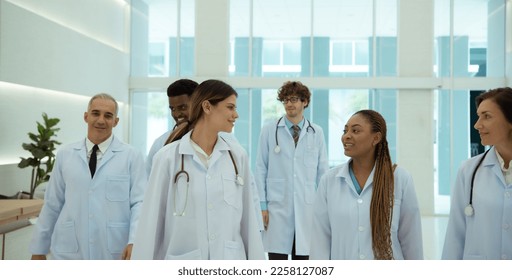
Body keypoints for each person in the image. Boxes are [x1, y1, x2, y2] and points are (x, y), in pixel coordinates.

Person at [131, 79, 265, 260]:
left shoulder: (236, 156)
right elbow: (150, 223)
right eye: (230, 107)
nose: (236, 115)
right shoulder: (167, 158)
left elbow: (249, 220)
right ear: (207, 107)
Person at [29, 93, 147, 260]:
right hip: (68, 250)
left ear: (116, 121)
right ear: (86, 116)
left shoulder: (131, 156)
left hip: (114, 249)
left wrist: (134, 240)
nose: (101, 120)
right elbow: (53, 204)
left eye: (108, 115)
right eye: (95, 113)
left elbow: (139, 203)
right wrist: (39, 249)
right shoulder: (65, 154)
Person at [309, 109, 423, 260]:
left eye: (355, 130)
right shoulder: (329, 181)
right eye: (345, 130)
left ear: (376, 138)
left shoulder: (400, 179)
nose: (346, 136)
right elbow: (320, 241)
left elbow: (411, 242)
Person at [254, 81, 328, 260]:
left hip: (307, 208)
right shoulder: (269, 131)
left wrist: (324, 208)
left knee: (303, 259)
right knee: (277, 260)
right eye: (286, 100)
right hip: (276, 208)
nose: (289, 104)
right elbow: (260, 169)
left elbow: (323, 173)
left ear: (304, 102)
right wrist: (262, 206)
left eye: (294, 99)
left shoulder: (316, 132)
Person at [442, 87, 512, 260]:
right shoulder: (469, 170)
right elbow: (455, 236)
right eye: (478, 116)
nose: (477, 124)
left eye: (486, 116)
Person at [146, 79, 198, 175]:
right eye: (172, 109)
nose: (177, 114)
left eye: (183, 107)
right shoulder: (160, 143)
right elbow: (149, 181)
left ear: (198, 104)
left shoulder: (220, 140)